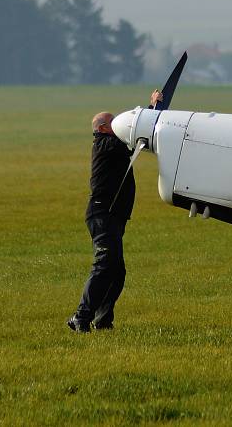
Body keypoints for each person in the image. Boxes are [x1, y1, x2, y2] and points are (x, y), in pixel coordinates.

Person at [68, 90, 162, 332]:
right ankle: (80, 317)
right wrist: (152, 109)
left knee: (116, 272)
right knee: (105, 264)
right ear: (101, 129)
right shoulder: (104, 144)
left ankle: (103, 320)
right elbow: (131, 137)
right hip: (102, 214)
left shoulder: (112, 144)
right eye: (112, 123)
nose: (116, 126)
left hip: (112, 216)